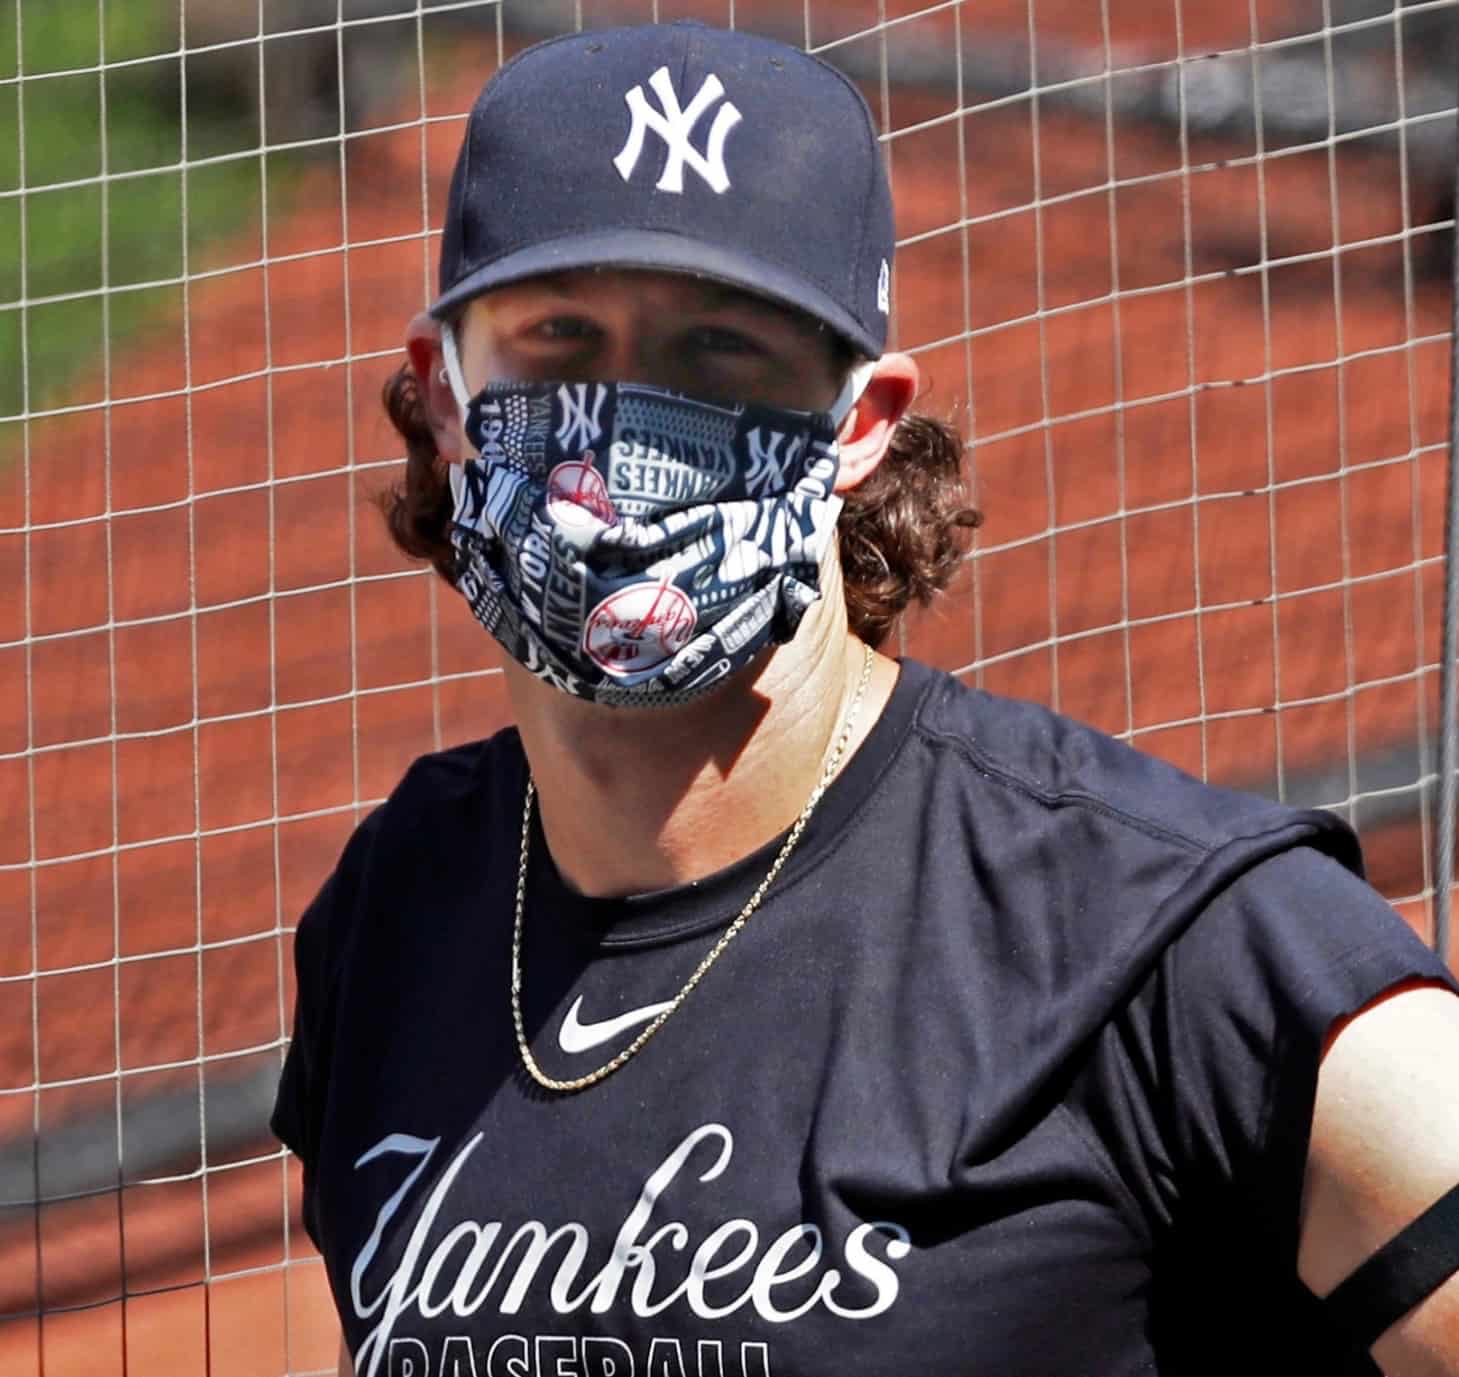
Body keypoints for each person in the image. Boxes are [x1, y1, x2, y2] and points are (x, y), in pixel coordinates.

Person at [270, 21, 1459, 1377]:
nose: (627, 419)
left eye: (718, 353)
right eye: (559, 339)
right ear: (444, 398)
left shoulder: (1151, 933)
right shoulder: (400, 908)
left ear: (860, 420)